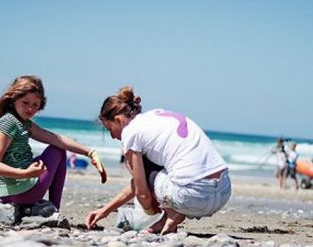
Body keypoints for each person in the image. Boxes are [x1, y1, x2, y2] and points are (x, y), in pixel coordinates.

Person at [86, 86, 231, 234]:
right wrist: (105, 210)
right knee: (161, 169)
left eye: (110, 129)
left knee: (145, 168)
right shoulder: (157, 115)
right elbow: (139, 182)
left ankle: (173, 213)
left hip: (191, 196)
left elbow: (142, 193)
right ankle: (168, 218)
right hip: (223, 191)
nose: (113, 136)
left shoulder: (130, 132)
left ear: (118, 120)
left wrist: (149, 209)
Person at [0, 75, 107, 224]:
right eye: (25, 103)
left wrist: (90, 152)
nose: (30, 108)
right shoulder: (8, 123)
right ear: (13, 99)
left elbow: (55, 138)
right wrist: (25, 173)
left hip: (11, 191)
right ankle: (53, 210)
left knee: (58, 146)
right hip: (20, 190)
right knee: (58, 150)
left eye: (35, 105)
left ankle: (41, 209)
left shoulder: (23, 123)